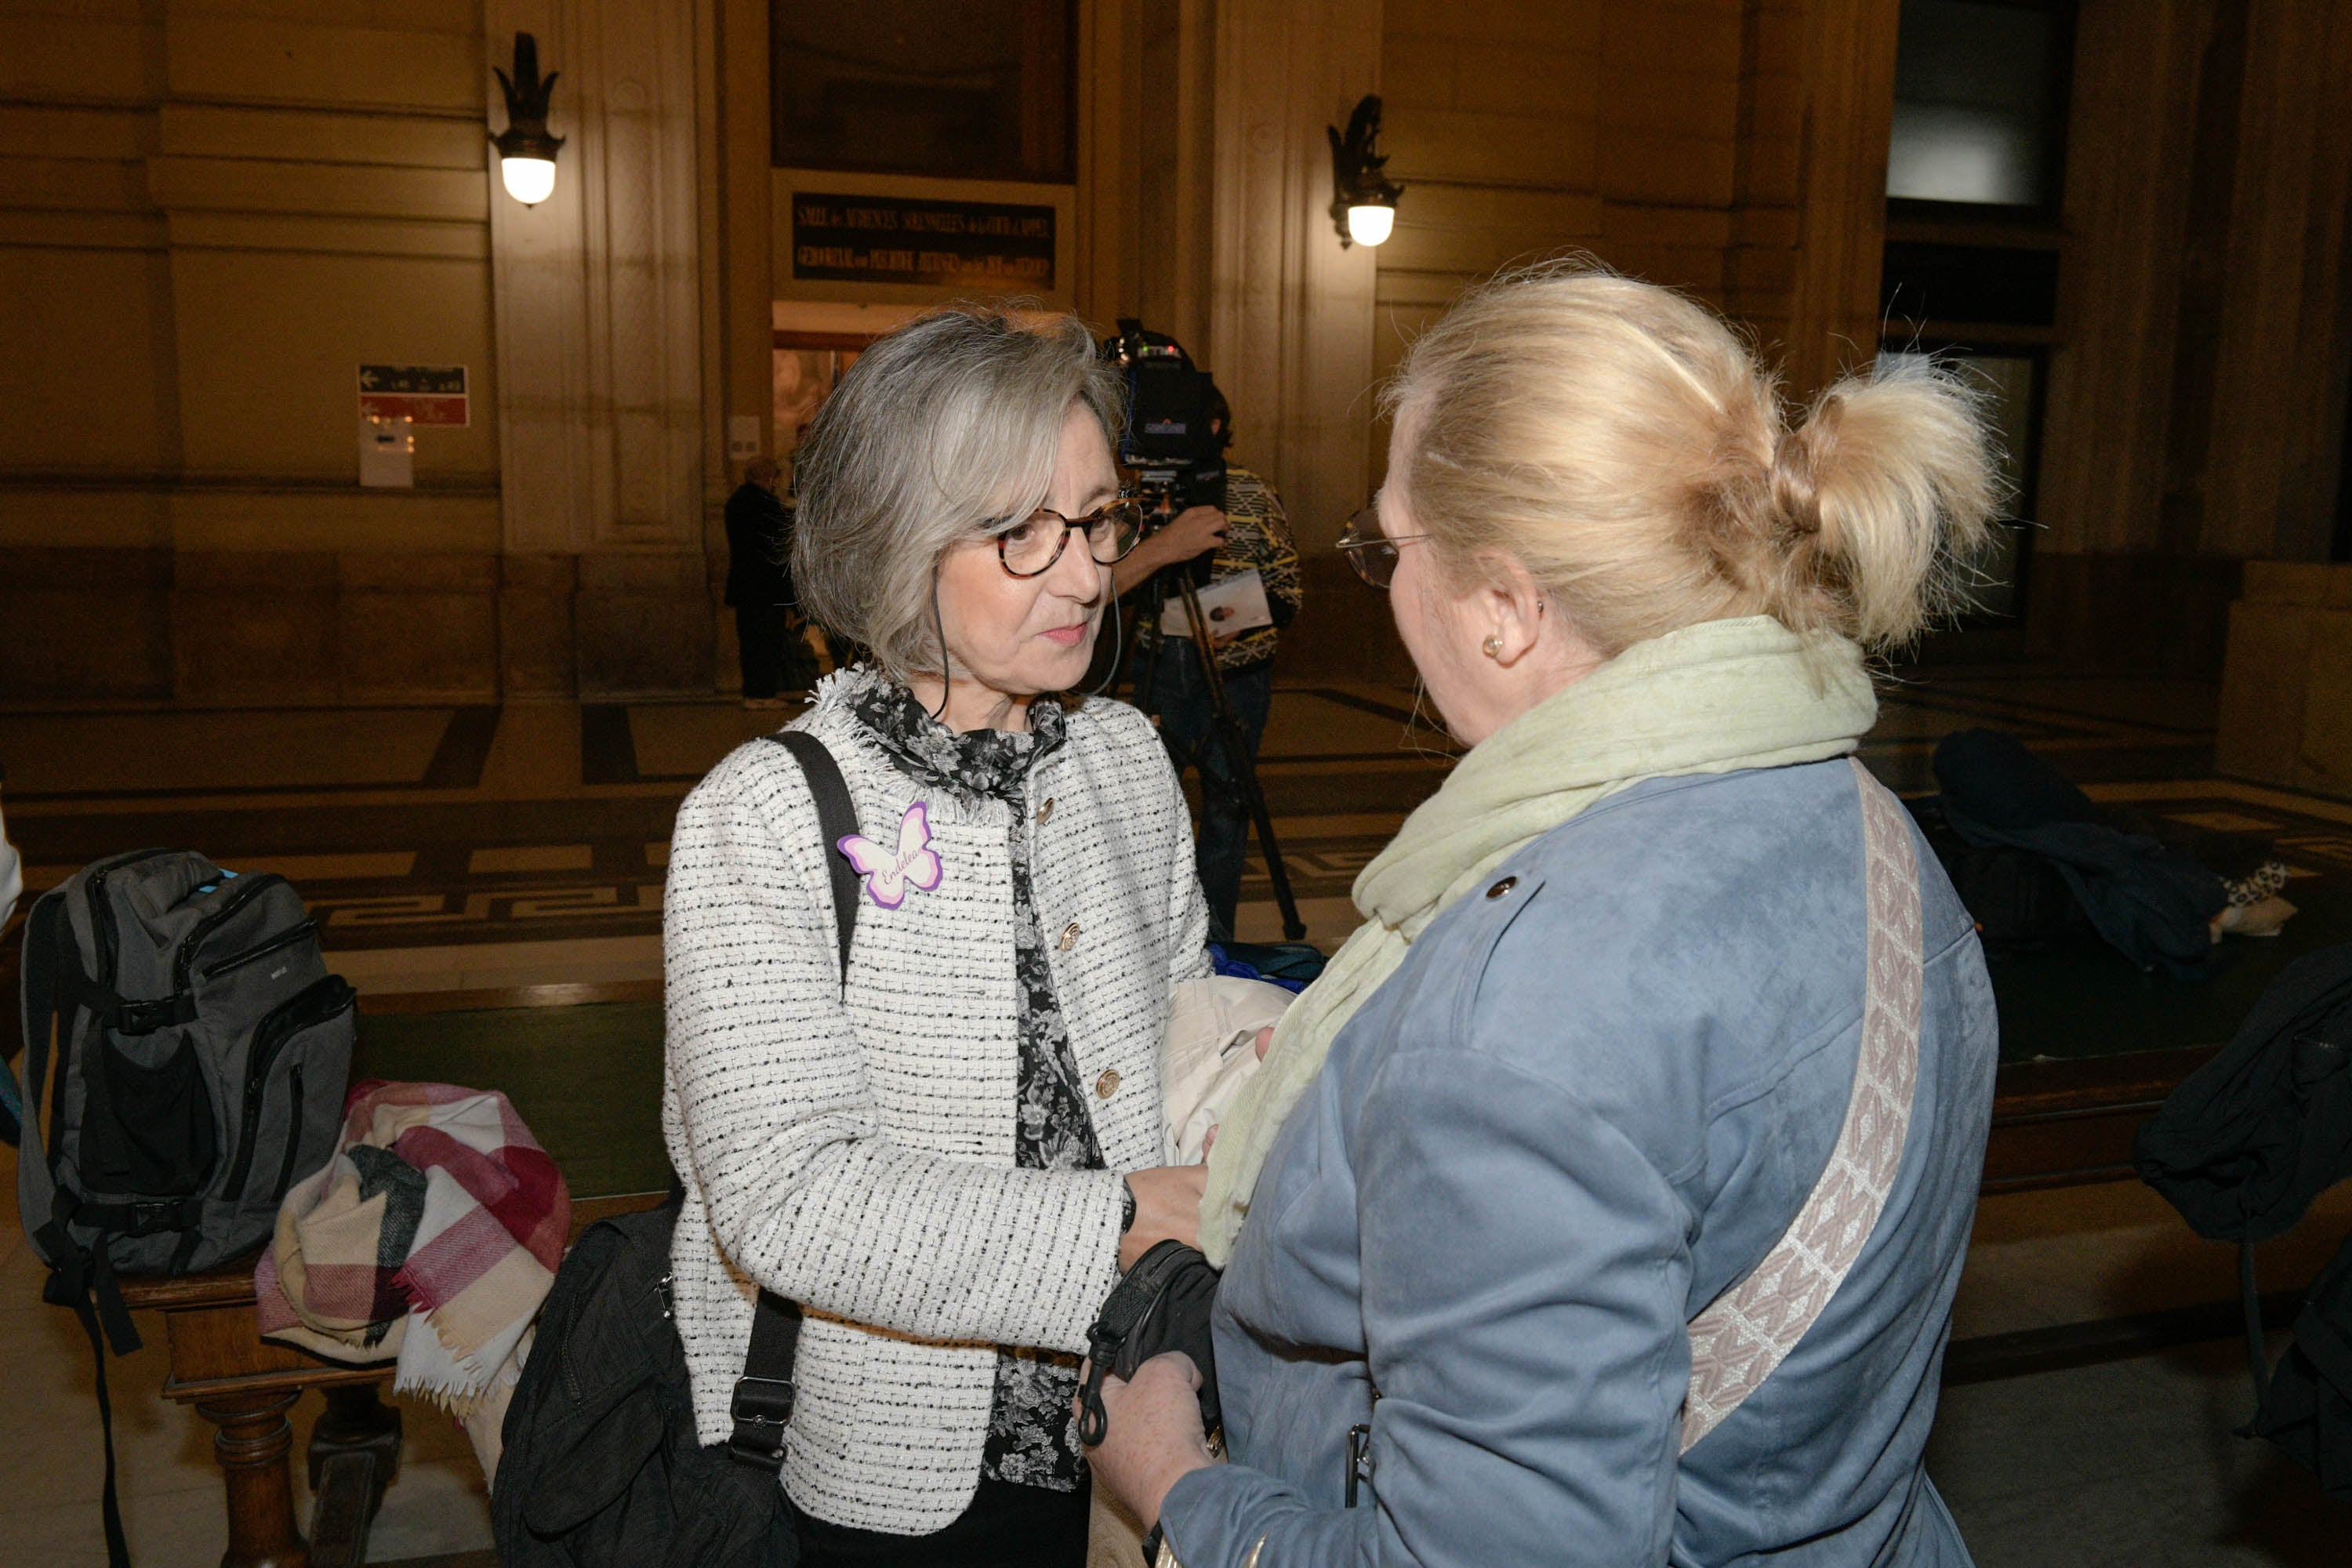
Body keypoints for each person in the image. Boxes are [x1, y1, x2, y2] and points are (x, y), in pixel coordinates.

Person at [1087, 265, 2005, 1566]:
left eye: (1389, 546)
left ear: (1508, 608)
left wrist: (1184, 1490)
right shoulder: (1873, 826)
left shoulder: (1526, 1015)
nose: (1385, 586)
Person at [662, 306, 1215, 1567]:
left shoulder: (1126, 762)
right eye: (1020, 532)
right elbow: (789, 1199)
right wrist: (1124, 1222)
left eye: (1095, 518)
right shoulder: (765, 814)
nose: (1082, 572)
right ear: (898, 541)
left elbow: (1183, 1041)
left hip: (1128, 1426)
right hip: (891, 1464)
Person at [1112, 396, 1301, 939]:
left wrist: (1214, 615)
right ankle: (1146, 938)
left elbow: (1288, 594)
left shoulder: (1251, 492)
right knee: (1147, 811)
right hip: (1157, 670)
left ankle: (1214, 938)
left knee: (1228, 811)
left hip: (1236, 677)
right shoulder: (1133, 496)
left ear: (1214, 426)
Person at [725, 455, 815, 706]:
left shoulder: (736, 501)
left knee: (749, 641)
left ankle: (752, 693)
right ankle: (763, 694)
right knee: (767, 642)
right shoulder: (766, 504)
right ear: (770, 478)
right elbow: (780, 546)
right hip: (766, 587)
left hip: (744, 584)